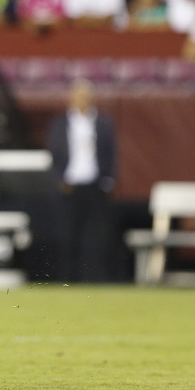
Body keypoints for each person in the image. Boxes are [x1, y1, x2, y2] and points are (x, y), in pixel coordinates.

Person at [47, 79, 116, 282]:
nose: (82, 100)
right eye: (78, 95)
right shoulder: (60, 124)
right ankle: (67, 278)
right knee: (67, 234)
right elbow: (54, 155)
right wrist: (59, 180)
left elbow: (111, 154)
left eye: (86, 96)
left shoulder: (103, 123)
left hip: (95, 186)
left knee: (95, 236)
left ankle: (93, 278)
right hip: (69, 186)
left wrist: (108, 180)